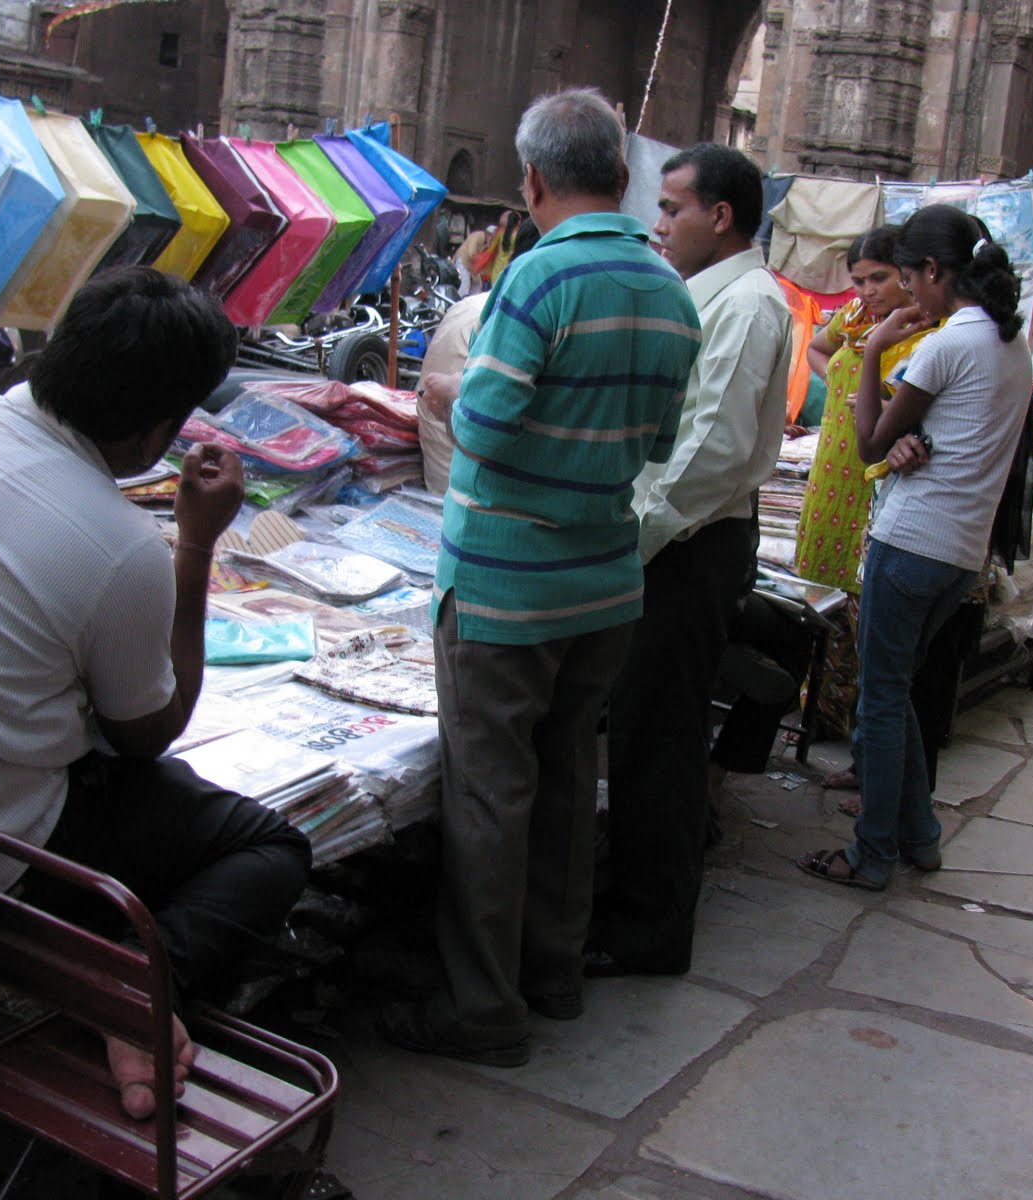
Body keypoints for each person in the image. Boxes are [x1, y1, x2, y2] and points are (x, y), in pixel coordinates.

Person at [0, 267, 312, 1117]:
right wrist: (193, 546)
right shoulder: (121, 547)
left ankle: (122, 985)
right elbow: (150, 731)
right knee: (269, 849)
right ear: (157, 431)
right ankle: (132, 989)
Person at [375, 87, 701, 1066]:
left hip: (505, 590)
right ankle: (551, 972)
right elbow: (657, 442)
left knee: (489, 795)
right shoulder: (669, 291)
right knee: (565, 782)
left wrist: (443, 385)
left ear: (531, 179)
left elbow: (479, 423)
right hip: (602, 585)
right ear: (621, 177)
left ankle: (480, 1007)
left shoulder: (537, 282)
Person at [586, 142, 793, 976]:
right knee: (643, 729)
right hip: (680, 539)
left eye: (672, 208)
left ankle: (646, 931)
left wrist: (626, 544)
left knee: (660, 736)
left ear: (721, 215)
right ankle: (637, 905)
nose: (658, 222)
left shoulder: (745, 306)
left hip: (688, 545)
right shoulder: (711, 296)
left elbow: (705, 452)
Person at [797, 204, 1031, 890]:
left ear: (933, 271)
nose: (903, 290)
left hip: (913, 542)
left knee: (882, 698)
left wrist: (870, 351)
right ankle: (920, 837)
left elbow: (871, 441)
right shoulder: (1009, 343)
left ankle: (872, 853)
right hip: (960, 552)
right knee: (895, 697)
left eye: (905, 276)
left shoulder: (948, 343)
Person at [725, 226, 941, 797]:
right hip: (833, 467)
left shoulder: (930, 333)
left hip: (877, 476)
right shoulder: (855, 321)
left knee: (869, 616)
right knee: (823, 601)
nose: (867, 290)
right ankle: (825, 715)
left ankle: (865, 742)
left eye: (880, 278)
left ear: (910, 275)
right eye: (860, 280)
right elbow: (819, 349)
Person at [417, 217, 542, 494]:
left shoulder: (475, 305)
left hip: (440, 475)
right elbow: (485, 430)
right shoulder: (515, 317)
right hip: (466, 490)